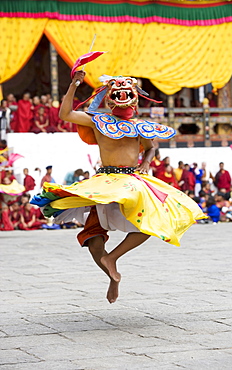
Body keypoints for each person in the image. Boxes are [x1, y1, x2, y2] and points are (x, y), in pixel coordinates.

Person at [31, 71, 205, 304]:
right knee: (94, 243)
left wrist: (145, 162)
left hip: (132, 181)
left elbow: (151, 147)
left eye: (127, 92)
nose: (122, 95)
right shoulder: (98, 121)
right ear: (109, 97)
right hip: (105, 182)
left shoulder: (142, 126)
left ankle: (112, 258)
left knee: (151, 225)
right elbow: (66, 114)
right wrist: (74, 84)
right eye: (117, 93)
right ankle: (112, 276)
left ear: (134, 97)